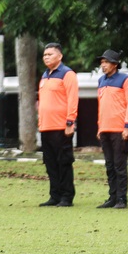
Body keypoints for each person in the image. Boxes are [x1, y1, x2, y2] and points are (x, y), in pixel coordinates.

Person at [37, 42, 79, 207]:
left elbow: (72, 99)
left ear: (59, 56)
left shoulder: (67, 74)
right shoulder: (45, 75)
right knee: (50, 163)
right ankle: (54, 195)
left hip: (61, 127)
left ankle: (67, 196)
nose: (46, 57)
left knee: (64, 162)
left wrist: (70, 121)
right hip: (45, 127)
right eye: (45, 55)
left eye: (50, 54)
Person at [95, 49, 128, 209]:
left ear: (115, 64)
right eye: (102, 62)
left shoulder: (126, 80)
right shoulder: (101, 81)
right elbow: (101, 106)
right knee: (109, 165)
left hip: (119, 129)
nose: (103, 65)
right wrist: (99, 127)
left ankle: (121, 199)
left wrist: (127, 126)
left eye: (106, 62)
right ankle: (112, 197)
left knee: (119, 165)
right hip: (105, 129)